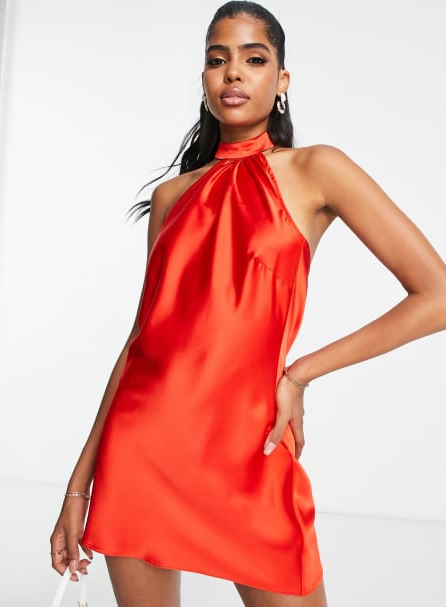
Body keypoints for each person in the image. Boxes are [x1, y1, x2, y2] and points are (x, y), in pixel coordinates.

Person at [50, 2, 446, 606]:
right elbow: (140, 340)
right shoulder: (172, 196)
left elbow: (436, 295)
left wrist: (301, 373)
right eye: (218, 60)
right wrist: (78, 487)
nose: (233, 72)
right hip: (143, 447)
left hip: (251, 450)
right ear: (204, 77)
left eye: (253, 59)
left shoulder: (317, 169)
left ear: (281, 79)